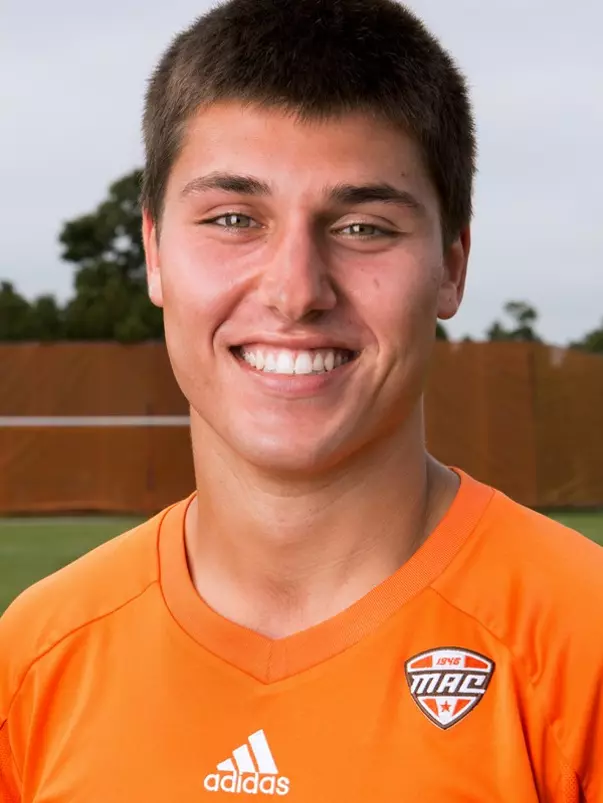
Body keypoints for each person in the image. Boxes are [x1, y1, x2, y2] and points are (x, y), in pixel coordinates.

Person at [1, 0, 602, 799]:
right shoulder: (36, 659)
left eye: (362, 227)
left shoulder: (581, 645)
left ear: (452, 265)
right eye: (233, 218)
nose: (295, 292)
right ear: (153, 252)